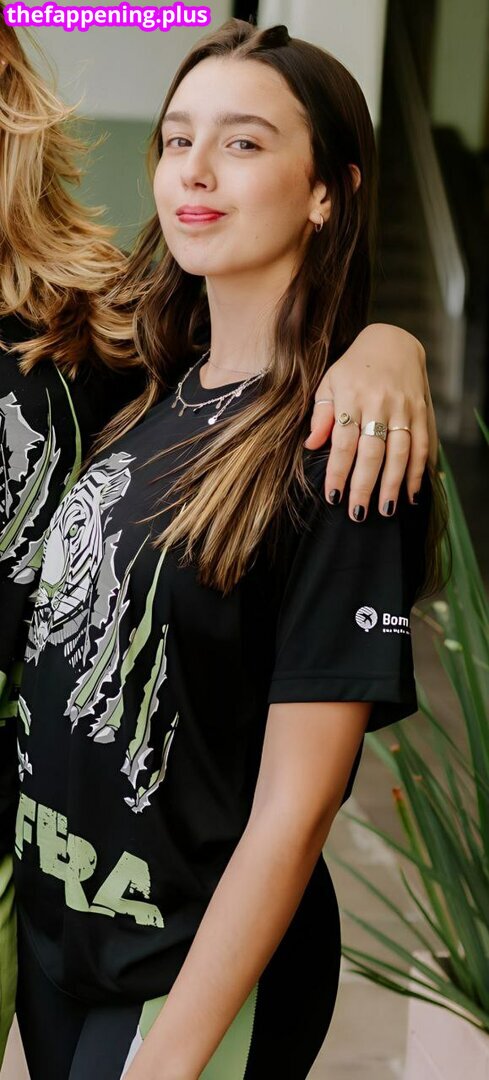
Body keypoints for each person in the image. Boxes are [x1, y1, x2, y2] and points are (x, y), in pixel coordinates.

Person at [1, 15, 442, 1075]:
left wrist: (171, 1057)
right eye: (177, 139)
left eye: (243, 141)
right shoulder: (155, 390)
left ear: (327, 190)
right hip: (65, 945)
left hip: (183, 974)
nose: (195, 168)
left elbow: (298, 806)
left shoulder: (341, 449)